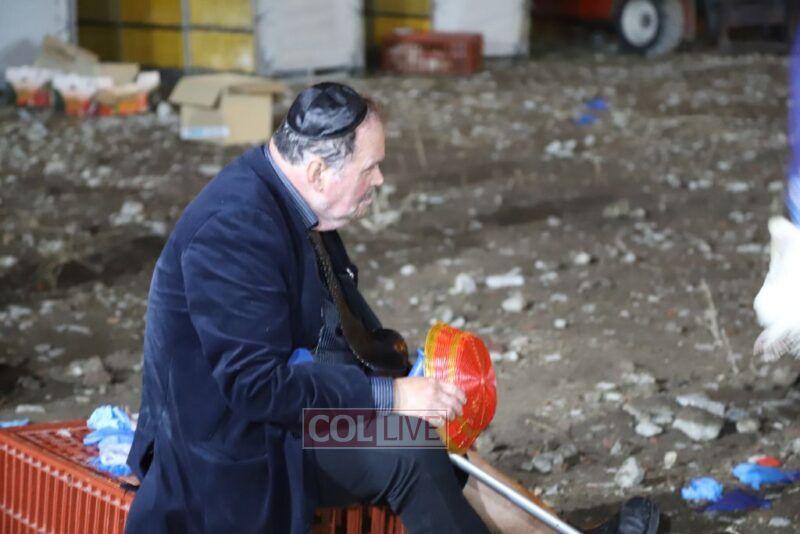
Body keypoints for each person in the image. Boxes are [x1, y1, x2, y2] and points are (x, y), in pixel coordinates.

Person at [125, 82, 489, 534]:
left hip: (284, 413)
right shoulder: (235, 229)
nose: (379, 179)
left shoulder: (287, 199)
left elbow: (337, 334)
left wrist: (406, 384)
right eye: (370, 167)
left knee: (428, 435)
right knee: (408, 447)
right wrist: (391, 398)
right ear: (317, 171)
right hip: (239, 443)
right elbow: (256, 387)